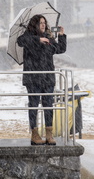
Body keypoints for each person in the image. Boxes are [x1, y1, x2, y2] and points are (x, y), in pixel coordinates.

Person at [17, 14, 67, 146]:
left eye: (44, 22)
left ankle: (49, 134)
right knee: (33, 105)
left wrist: (61, 36)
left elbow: (60, 49)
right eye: (40, 23)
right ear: (34, 25)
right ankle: (34, 134)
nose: (43, 25)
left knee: (48, 106)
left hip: (47, 78)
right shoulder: (28, 37)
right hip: (33, 78)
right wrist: (38, 40)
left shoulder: (49, 37)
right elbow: (20, 41)